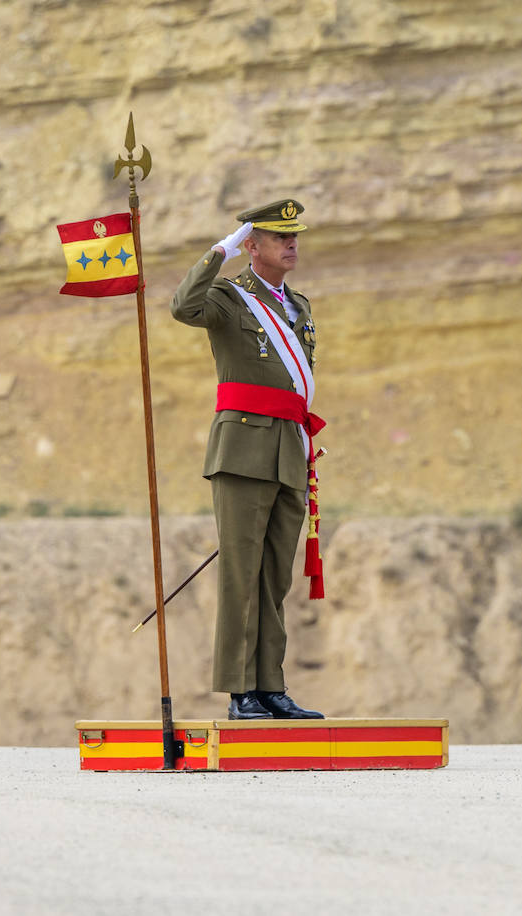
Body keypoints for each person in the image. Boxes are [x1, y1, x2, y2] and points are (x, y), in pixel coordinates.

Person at [170, 199, 326, 721]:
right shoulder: (231, 297)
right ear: (252, 245)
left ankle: (270, 686)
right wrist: (221, 250)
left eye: (295, 236)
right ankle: (241, 692)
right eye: (280, 237)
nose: (293, 244)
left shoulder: (299, 306)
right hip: (241, 451)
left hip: (288, 449)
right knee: (241, 573)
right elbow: (183, 307)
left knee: (274, 577)